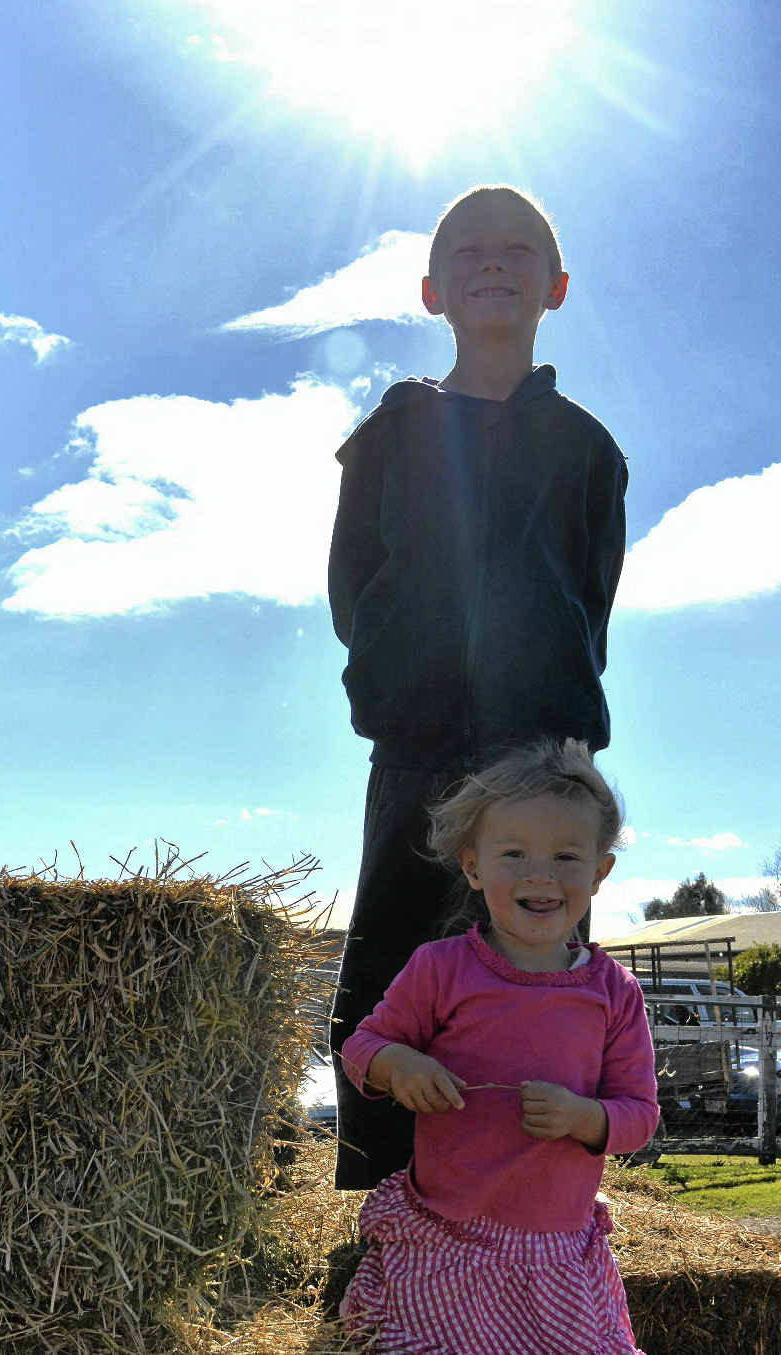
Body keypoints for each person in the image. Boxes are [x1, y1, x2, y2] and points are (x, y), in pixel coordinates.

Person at [328, 184, 630, 1187]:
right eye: (466, 249)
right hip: (413, 747)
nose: (490, 262)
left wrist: (550, 712)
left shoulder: (585, 448)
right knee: (390, 973)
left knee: (538, 985)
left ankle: (532, 1215)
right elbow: (351, 584)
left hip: (537, 764)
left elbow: (591, 595)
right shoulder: (388, 436)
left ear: (555, 285)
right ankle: (381, 1221)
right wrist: (394, 680)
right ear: (428, 289)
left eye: (515, 250)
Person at [339, 739, 658, 1355]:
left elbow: (639, 1116)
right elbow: (363, 1044)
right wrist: (396, 1063)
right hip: (445, 1241)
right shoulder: (441, 969)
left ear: (599, 871)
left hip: (555, 1256)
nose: (540, 874)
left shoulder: (614, 992)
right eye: (514, 854)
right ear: (473, 866)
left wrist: (584, 1118)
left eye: (566, 856)